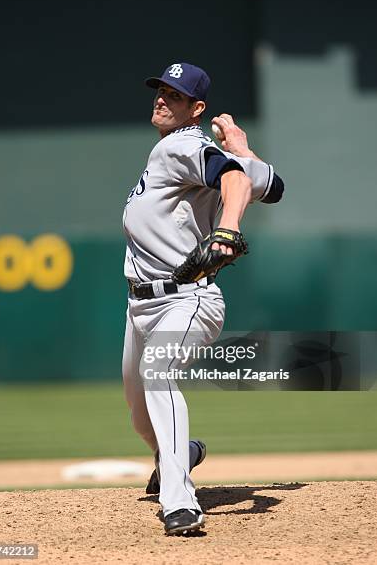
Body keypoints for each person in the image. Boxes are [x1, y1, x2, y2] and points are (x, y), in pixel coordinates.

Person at [122, 62, 284, 536]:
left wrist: (228, 228)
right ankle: (181, 452)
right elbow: (270, 187)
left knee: (158, 375)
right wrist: (244, 152)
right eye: (160, 90)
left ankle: (180, 502)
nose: (161, 98)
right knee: (139, 412)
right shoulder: (180, 150)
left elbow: (232, 181)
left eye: (174, 95)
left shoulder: (182, 144)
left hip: (186, 298)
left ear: (196, 109)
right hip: (141, 306)